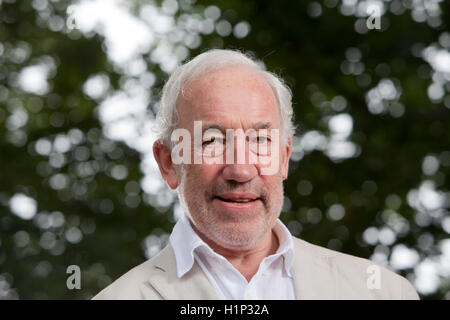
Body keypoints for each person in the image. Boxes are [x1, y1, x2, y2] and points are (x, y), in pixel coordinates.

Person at [93, 49, 419, 300]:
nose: (241, 169)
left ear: (284, 157)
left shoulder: (384, 293)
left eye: (261, 140)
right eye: (212, 140)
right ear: (168, 162)